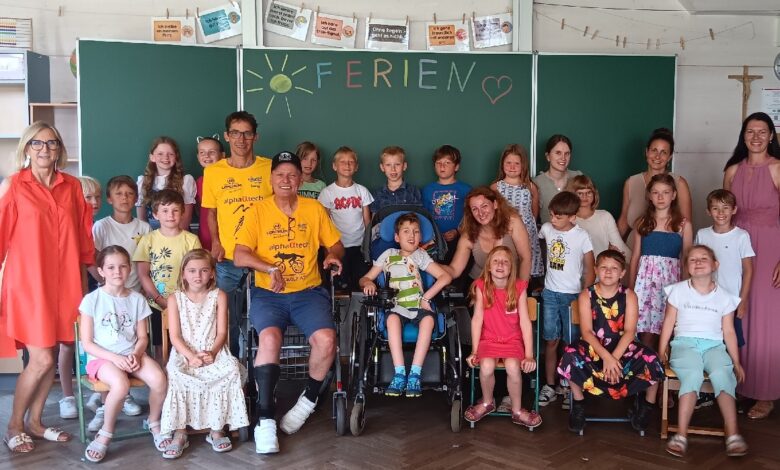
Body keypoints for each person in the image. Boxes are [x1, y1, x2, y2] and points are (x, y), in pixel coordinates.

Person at [233, 151, 344, 454]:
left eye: (292, 175)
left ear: (300, 179)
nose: (286, 180)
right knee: (269, 339)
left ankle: (307, 401)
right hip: (269, 293)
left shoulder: (314, 208)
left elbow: (336, 244)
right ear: (271, 179)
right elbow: (239, 255)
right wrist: (269, 268)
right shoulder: (257, 211)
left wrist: (333, 256)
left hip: (308, 292)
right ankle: (266, 418)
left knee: (326, 340)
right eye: (280, 174)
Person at [0, 122, 94, 453]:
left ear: (59, 149)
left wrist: (85, 289)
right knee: (40, 358)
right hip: (28, 284)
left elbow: (83, 240)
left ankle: (36, 423)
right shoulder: (13, 185)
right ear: (27, 148)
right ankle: (14, 425)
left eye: (51, 143)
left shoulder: (72, 187)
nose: (44, 149)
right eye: (37, 143)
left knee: (51, 353)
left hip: (65, 282)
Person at [78, 246, 169, 463]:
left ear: (129, 269)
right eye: (111, 267)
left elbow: (143, 338)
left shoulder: (137, 299)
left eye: (122, 266)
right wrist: (116, 359)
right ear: (101, 271)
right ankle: (105, 433)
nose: (117, 272)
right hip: (103, 358)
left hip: (132, 354)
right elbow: (87, 343)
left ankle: (154, 422)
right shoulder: (92, 300)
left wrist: (136, 354)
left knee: (159, 379)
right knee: (120, 385)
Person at [558, 250, 664, 434]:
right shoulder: (586, 295)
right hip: (594, 348)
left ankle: (646, 408)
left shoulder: (629, 295)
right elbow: (587, 332)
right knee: (569, 355)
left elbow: (630, 331)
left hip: (622, 348)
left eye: (614, 268)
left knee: (652, 360)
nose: (608, 272)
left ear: (622, 273)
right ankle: (579, 404)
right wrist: (607, 358)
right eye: (604, 267)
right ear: (596, 270)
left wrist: (614, 359)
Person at [658, 245, 748, 458]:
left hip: (714, 346)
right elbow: (668, 322)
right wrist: (661, 351)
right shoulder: (678, 290)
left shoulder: (725, 297)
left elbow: (728, 331)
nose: (698, 262)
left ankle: (733, 435)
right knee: (692, 374)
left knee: (723, 374)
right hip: (684, 344)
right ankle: (681, 435)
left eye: (703, 258)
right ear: (686, 267)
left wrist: (736, 362)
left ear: (715, 265)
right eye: (692, 259)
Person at [160, 249, 249, 459]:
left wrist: (213, 352)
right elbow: (175, 336)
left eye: (203, 270)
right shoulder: (175, 299)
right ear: (183, 274)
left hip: (212, 348)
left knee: (231, 369)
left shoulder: (219, 295)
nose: (197, 275)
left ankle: (216, 429)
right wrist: (190, 356)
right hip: (185, 351)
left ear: (212, 273)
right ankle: (180, 432)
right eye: (192, 271)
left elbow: (222, 333)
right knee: (176, 372)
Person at [723, 111, 780, 419]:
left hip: (770, 247)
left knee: (765, 318)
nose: (756, 136)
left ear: (771, 136)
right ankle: (740, 384)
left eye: (762, 131)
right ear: (743, 136)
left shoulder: (777, 168)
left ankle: (766, 392)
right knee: (736, 314)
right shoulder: (732, 170)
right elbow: (723, 211)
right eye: (750, 131)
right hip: (735, 246)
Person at [202, 111, 273, 358]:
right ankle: (230, 365)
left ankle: (261, 366)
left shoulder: (270, 168)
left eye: (247, 133)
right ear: (226, 136)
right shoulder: (213, 172)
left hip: (262, 258)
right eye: (235, 133)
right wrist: (216, 242)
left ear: (255, 137)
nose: (241, 139)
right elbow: (211, 212)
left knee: (265, 318)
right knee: (227, 319)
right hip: (228, 259)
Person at [359, 213, 452, 397]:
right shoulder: (388, 255)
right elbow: (365, 278)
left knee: (428, 321)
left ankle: (415, 374)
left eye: (416, 231)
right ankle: (400, 373)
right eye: (406, 231)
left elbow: (445, 276)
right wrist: (368, 283)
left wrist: (426, 298)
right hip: (396, 306)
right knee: (391, 320)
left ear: (421, 236)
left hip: (418, 304)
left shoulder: (421, 256)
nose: (412, 235)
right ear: (396, 237)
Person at [87, 175, 151, 430]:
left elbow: (145, 263)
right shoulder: (101, 226)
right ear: (109, 199)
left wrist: (135, 292)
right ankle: (108, 402)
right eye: (119, 194)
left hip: (135, 297)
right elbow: (93, 259)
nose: (125, 198)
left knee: (129, 342)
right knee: (109, 338)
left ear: (136, 198)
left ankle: (125, 395)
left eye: (129, 193)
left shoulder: (144, 227)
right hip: (109, 295)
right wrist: (109, 287)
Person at [464, 246, 541, 429]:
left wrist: (529, 355)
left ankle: (516, 410)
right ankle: (487, 402)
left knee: (513, 366)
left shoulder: (519, 287)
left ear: (511, 267)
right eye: (496, 261)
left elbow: (525, 322)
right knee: (486, 366)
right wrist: (474, 351)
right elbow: (477, 319)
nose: (500, 264)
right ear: (489, 266)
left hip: (512, 341)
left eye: (505, 261)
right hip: (488, 340)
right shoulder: (481, 286)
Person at [537, 191, 595, 407]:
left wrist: (585, 296)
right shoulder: (546, 229)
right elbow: (540, 250)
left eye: (558, 217)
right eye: (551, 215)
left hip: (573, 296)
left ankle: (570, 385)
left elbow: (590, 269)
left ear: (572, 217)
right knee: (551, 340)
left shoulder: (582, 236)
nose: (553, 220)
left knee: (570, 342)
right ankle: (550, 385)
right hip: (550, 294)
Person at [133, 189, 201, 361]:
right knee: (160, 345)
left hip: (186, 304)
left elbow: (197, 273)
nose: (170, 215)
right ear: (155, 214)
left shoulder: (191, 240)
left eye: (175, 210)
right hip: (156, 304)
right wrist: (159, 300)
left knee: (185, 343)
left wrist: (185, 301)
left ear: (183, 213)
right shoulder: (148, 240)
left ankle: (184, 372)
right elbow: (143, 274)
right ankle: (162, 373)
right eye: (165, 210)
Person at [57, 175, 103, 421]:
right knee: (69, 343)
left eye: (97, 197)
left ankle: (98, 393)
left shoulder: (97, 225)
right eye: (88, 197)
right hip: (74, 289)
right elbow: (87, 260)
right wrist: (103, 278)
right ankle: (67, 396)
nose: (94, 202)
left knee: (97, 342)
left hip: (96, 289)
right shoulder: (70, 224)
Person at [629, 174, 692, 351]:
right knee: (646, 333)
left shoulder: (683, 224)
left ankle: (663, 366)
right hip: (645, 286)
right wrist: (631, 288)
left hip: (671, 284)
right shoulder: (642, 222)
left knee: (668, 329)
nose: (660, 197)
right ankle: (646, 366)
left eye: (665, 192)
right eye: (656, 192)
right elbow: (635, 257)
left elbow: (687, 259)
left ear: (674, 195)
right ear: (649, 195)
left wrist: (686, 289)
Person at [695, 189, 754, 348]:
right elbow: (694, 266)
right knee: (707, 341)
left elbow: (748, 270)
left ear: (734, 210)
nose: (721, 213)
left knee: (731, 342)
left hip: (731, 300)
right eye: (715, 208)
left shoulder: (741, 236)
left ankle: (733, 365)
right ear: (708, 211)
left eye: (725, 208)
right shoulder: (702, 234)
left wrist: (742, 300)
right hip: (706, 299)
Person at [617, 128, 692, 248]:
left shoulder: (679, 183)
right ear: (647, 152)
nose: (658, 156)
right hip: (632, 250)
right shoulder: (631, 182)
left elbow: (685, 225)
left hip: (666, 252)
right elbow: (624, 221)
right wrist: (612, 246)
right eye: (654, 150)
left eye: (664, 152)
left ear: (670, 157)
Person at [445, 187, 532, 284]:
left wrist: (521, 289)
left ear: (495, 204)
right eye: (475, 209)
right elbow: (454, 270)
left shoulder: (512, 222)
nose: (481, 213)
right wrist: (431, 265)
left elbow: (525, 258)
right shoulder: (468, 234)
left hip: (512, 285)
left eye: (484, 206)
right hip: (481, 286)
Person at [318, 146, 373, 291]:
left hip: (359, 246)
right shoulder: (327, 193)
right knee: (339, 285)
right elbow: (324, 224)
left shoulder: (362, 191)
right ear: (334, 166)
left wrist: (368, 245)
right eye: (342, 162)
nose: (347, 165)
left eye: (351, 162)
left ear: (356, 166)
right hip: (338, 247)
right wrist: (328, 251)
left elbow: (367, 221)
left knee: (359, 283)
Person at [492, 144, 543, 280]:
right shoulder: (496, 187)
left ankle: (524, 288)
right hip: (505, 232)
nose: (512, 167)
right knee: (507, 263)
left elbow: (534, 212)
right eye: (508, 163)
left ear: (523, 165)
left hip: (527, 231)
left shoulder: (530, 187)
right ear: (502, 164)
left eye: (516, 163)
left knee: (525, 263)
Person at [422, 145, 472, 264]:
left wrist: (457, 231)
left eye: (447, 163)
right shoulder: (427, 190)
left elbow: (470, 217)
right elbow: (424, 216)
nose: (442, 166)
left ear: (456, 166)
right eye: (438, 163)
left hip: (457, 239)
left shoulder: (466, 190)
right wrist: (433, 234)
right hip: (433, 240)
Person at [136, 136, 196, 231]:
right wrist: (152, 237)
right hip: (152, 233)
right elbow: (141, 218)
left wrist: (173, 237)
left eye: (170, 154)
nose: (165, 157)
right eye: (160, 154)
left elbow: (186, 218)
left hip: (178, 233)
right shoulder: (143, 181)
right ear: (152, 157)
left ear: (176, 157)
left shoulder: (185, 181)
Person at [568, 175, 631, 260]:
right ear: (572, 195)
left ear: (594, 194)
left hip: (602, 266)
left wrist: (635, 263)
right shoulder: (566, 219)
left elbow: (619, 245)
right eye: (580, 193)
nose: (585, 196)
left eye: (588, 192)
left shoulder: (605, 216)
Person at [532, 135, 582, 224]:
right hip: (549, 232)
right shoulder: (537, 183)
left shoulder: (578, 177)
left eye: (567, 153)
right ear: (548, 156)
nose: (563, 158)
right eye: (558, 153)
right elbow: (532, 218)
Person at [370, 146, 422, 213]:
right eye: (388, 165)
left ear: (404, 166)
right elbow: (375, 218)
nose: (393, 169)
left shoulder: (414, 191)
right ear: (382, 167)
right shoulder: (377, 194)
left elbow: (419, 215)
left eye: (397, 164)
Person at [194, 135, 224, 251]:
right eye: (202, 152)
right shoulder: (199, 182)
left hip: (226, 237)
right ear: (198, 157)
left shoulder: (229, 180)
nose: (206, 156)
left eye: (212, 152)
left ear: (222, 155)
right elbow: (198, 209)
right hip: (205, 237)